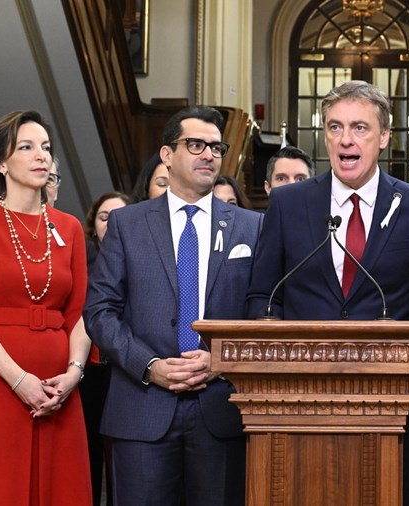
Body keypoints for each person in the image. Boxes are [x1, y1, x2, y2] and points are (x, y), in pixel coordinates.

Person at [246, 80, 409, 505]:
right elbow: (261, 296)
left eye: (360, 128)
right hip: (295, 403)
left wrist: (401, 350)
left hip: (391, 404)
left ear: (383, 137)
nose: (346, 139)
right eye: (335, 127)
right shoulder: (289, 204)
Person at [85, 106, 264, 505]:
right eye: (196, 144)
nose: (208, 155)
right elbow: (99, 311)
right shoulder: (127, 224)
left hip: (221, 407)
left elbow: (263, 312)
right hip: (141, 407)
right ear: (167, 154)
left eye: (216, 147)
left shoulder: (250, 227)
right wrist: (149, 366)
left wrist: (219, 360)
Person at [0, 110, 92, 504]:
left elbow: (79, 314)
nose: (41, 155)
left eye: (45, 147)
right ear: (1, 164)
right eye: (26, 147)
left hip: (58, 388)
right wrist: (17, 379)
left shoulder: (70, 227)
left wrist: (73, 374)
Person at [82, 190, 131, 506]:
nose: (111, 224)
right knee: (86, 457)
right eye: (104, 217)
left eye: (119, 218)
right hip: (86, 373)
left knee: (120, 463)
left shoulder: (140, 258)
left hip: (125, 370)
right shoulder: (81, 258)